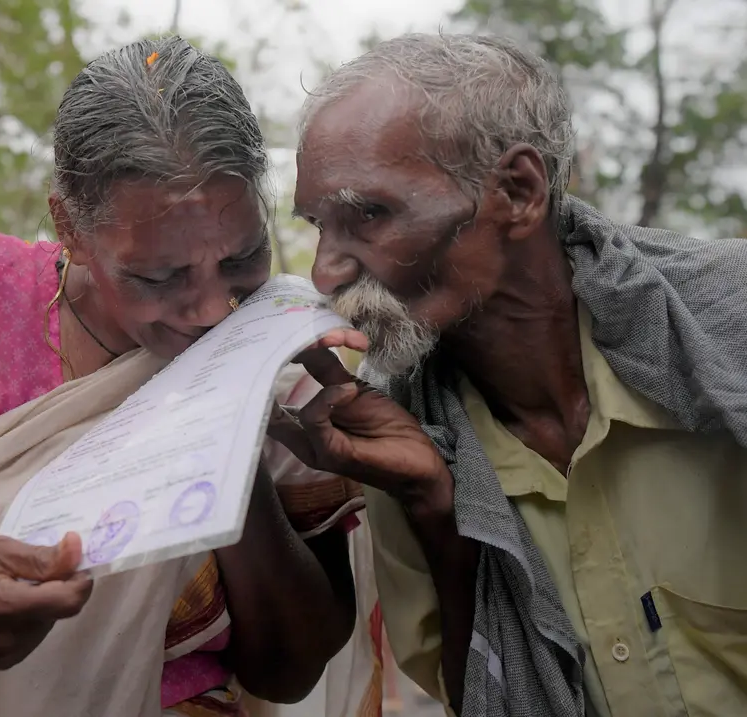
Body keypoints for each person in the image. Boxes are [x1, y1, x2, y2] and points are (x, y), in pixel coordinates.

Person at [0, 36, 381, 717]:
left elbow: (291, 668)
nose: (215, 308)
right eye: (160, 276)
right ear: (70, 227)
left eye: (244, 258)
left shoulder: (283, 351)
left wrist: (226, 445)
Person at [267, 31, 747, 717]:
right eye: (319, 224)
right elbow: (487, 699)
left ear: (519, 191)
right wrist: (437, 508)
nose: (325, 271)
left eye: (369, 213)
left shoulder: (728, 329)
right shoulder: (404, 440)